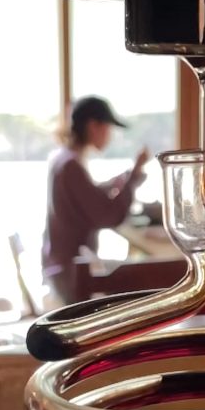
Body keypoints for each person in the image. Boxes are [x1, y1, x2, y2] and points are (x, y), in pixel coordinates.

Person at [43, 96, 149, 304]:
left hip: (60, 267)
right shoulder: (71, 166)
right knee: (142, 279)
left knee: (133, 273)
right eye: (108, 128)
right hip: (71, 273)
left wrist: (125, 179)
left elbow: (89, 197)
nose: (110, 135)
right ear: (93, 126)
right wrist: (133, 177)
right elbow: (107, 215)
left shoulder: (63, 159)